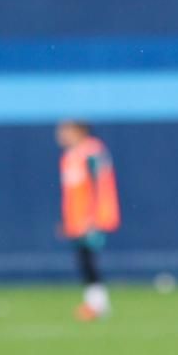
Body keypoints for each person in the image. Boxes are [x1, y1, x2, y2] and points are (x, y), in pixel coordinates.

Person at [56, 120, 120, 321]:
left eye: (65, 130)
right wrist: (69, 221)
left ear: (78, 131)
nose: (60, 134)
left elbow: (98, 186)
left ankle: (97, 305)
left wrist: (93, 217)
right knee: (83, 260)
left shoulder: (91, 153)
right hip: (77, 220)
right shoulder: (71, 156)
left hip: (91, 220)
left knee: (89, 260)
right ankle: (96, 303)